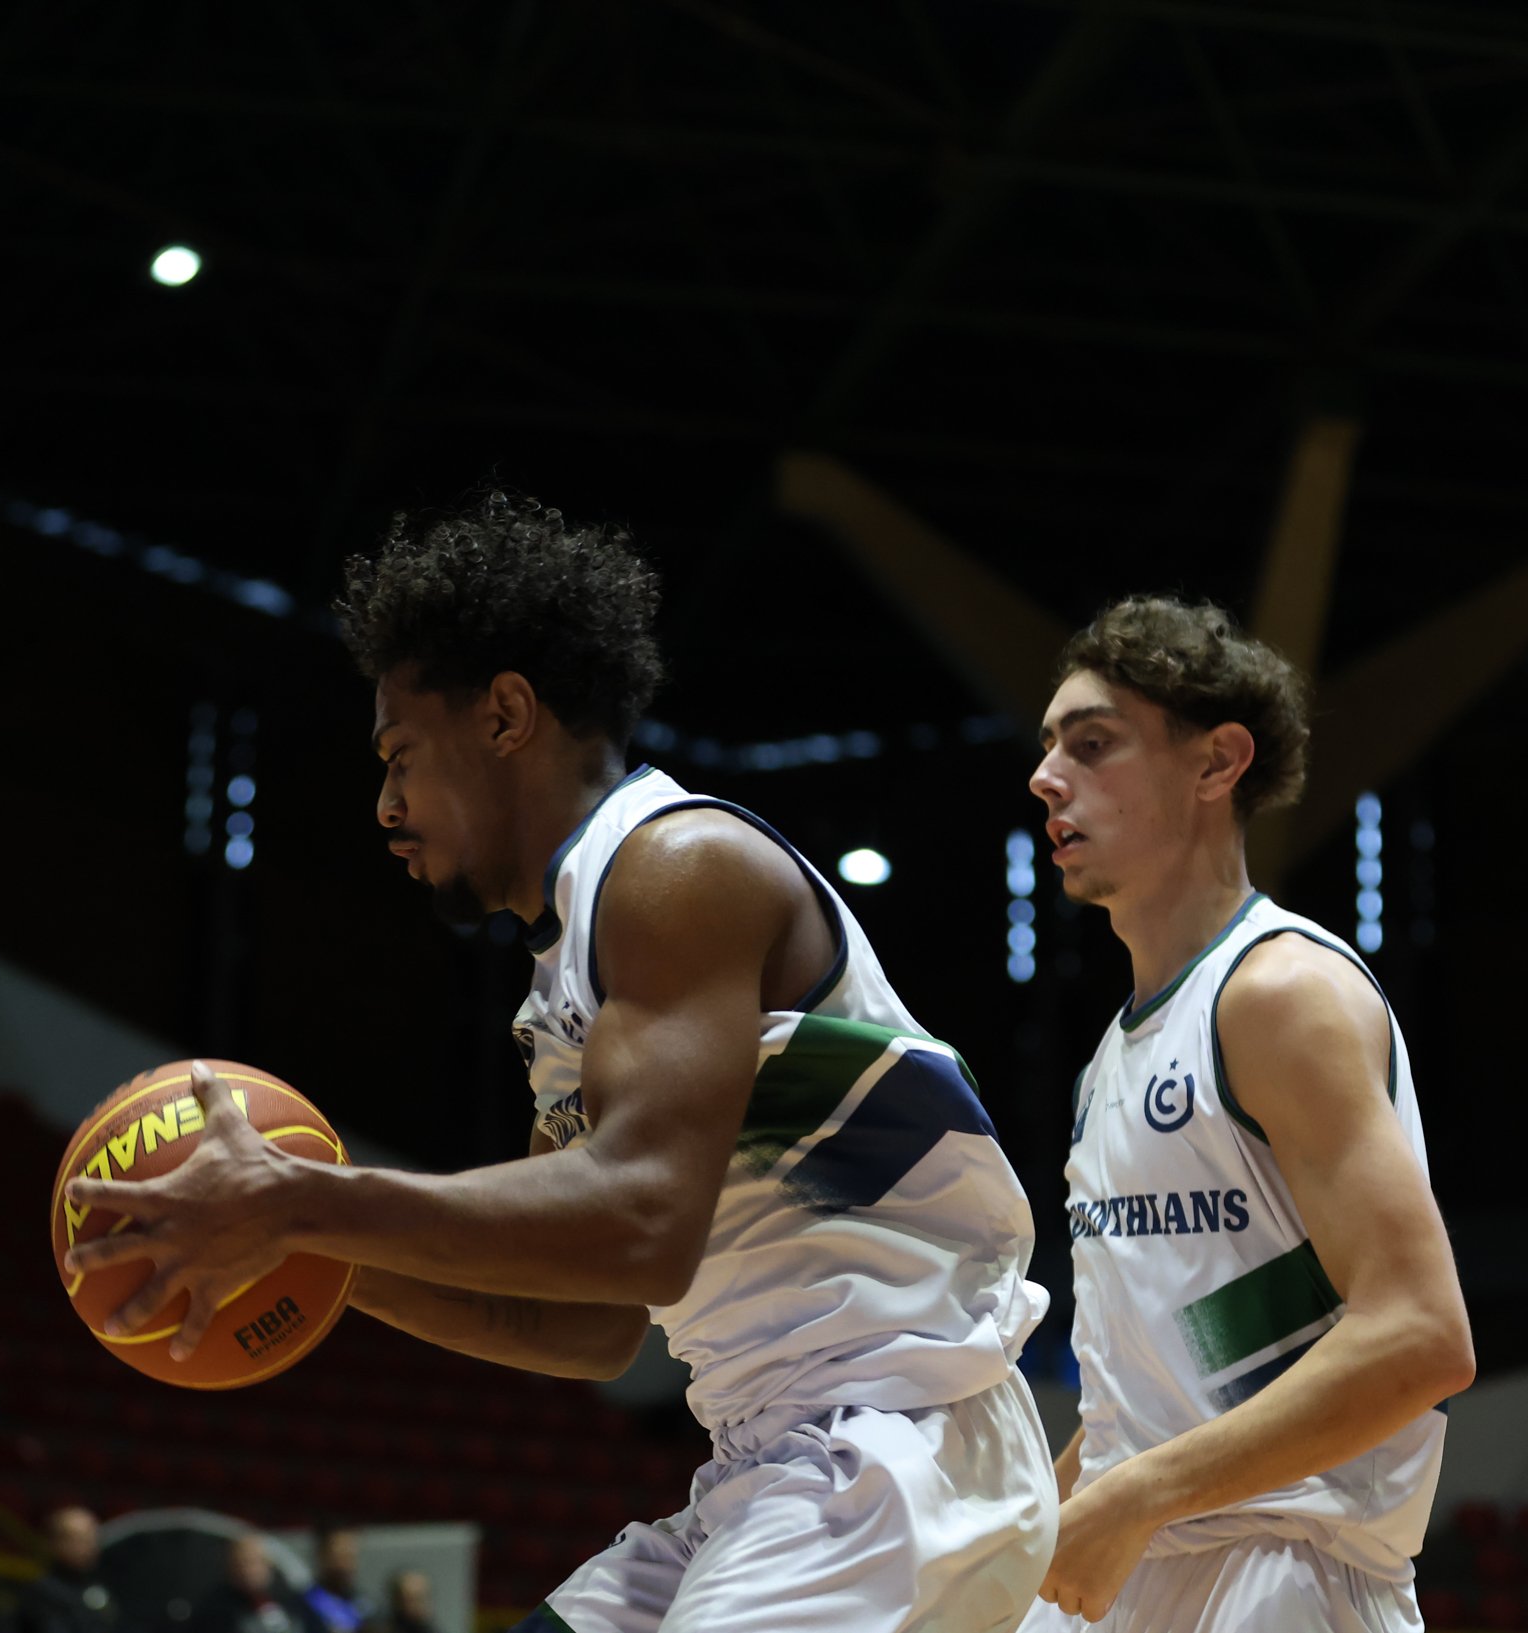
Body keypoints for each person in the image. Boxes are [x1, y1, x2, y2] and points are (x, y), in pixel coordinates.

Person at [63, 492, 1056, 1632]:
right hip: (774, 1459)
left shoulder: (680, 867)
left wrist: (301, 1201)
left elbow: (644, 1221)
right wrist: (315, 1255)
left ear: (504, 715)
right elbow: (589, 1322)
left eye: (399, 755)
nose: (385, 804)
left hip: (899, 1439)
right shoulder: (566, 987)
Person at [1019, 599, 1476, 1632]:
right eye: (1046, 748)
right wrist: (1044, 1516)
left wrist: (1135, 1496)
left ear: (1217, 762)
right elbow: (1160, 1382)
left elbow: (1419, 1336)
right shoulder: (1112, 1056)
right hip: (1152, 1554)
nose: (1045, 776)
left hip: (1286, 1573)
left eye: (1091, 744)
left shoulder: (1279, 993)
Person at [197, 1533, 326, 1633]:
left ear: (268, 1564)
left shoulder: (293, 1600)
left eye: (254, 1562)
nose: (247, 1570)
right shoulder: (216, 1608)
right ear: (229, 1568)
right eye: (240, 1563)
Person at [15, 1506, 115, 1633]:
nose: (89, 1546)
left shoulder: (96, 1583)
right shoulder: (42, 1593)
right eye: (78, 1540)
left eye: (92, 1538)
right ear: (54, 1543)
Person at [299, 1529, 359, 1633]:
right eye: (338, 1557)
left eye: (349, 1556)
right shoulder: (305, 1604)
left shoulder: (362, 1601)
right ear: (322, 1557)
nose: (344, 1565)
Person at [366, 1570, 433, 1633]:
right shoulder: (379, 1628)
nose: (419, 1606)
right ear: (397, 1601)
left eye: (423, 1599)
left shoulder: (426, 1628)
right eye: (411, 1600)